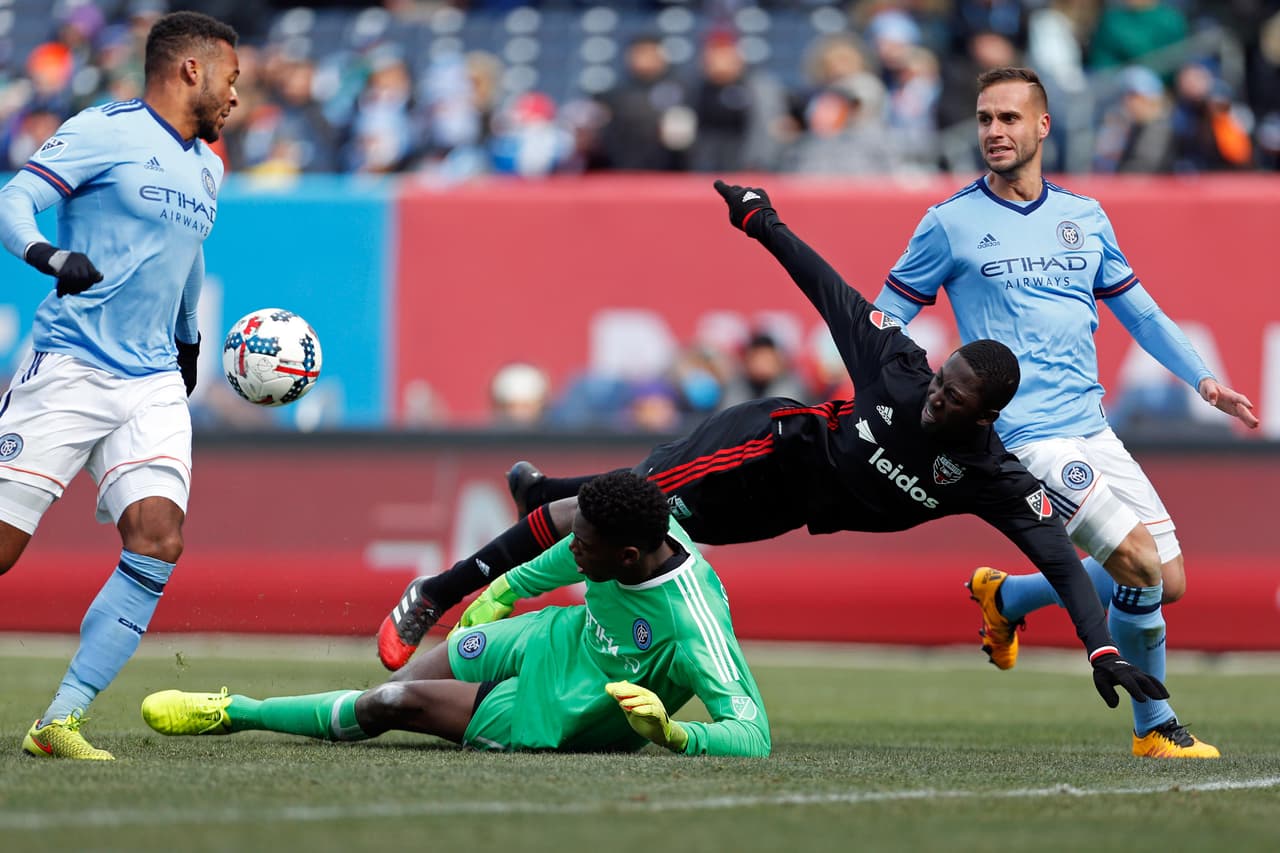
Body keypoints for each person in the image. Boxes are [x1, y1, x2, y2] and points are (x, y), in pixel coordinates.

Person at [377, 180, 1169, 722]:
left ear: (987, 412)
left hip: (786, 510)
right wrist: (761, 220)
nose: (936, 394)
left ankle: (546, 492)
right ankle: (436, 589)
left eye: (954, 395)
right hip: (766, 446)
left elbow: (1059, 559)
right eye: (942, 378)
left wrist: (1099, 645)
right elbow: (825, 287)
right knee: (616, 508)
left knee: (637, 522)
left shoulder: (996, 476)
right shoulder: (898, 369)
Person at [873, 66, 1258, 759]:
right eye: (986, 118)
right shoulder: (949, 222)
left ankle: (1009, 597)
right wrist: (909, 400)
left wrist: (1205, 380)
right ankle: (1156, 729)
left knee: (1167, 580)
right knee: (1138, 562)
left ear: (1042, 126)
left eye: (1009, 118)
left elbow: (1138, 310)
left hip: (1092, 426)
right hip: (1025, 436)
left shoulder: (1084, 216)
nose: (994, 131)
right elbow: (885, 319)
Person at [0, 10, 240, 760]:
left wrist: (191, 336)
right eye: (231, 77)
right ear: (191, 70)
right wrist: (46, 254)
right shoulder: (104, 128)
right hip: (68, 367)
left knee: (159, 539)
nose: (236, 94)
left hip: (152, 380)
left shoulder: (210, 164)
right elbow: (12, 199)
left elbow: (191, 252)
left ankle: (58, 722)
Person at [142, 471, 770, 757]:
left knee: (389, 709)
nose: (573, 550)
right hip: (548, 638)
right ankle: (331, 709)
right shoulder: (614, 539)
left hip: (561, 713)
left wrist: (675, 734)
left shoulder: (695, 624)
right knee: (382, 694)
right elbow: (545, 566)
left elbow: (752, 734)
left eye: (586, 546)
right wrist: (494, 596)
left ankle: (233, 713)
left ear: (628, 556)